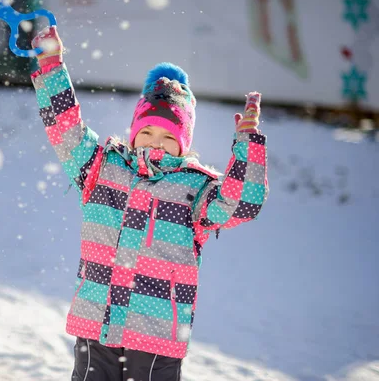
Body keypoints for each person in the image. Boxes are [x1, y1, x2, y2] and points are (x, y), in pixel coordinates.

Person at [30, 26, 268, 381]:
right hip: (99, 322)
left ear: (183, 143)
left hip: (156, 337)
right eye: (147, 131)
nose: (155, 142)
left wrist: (248, 145)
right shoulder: (101, 167)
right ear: (133, 131)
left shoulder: (196, 190)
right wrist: (51, 66)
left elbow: (241, 204)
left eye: (167, 136)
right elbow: (66, 127)